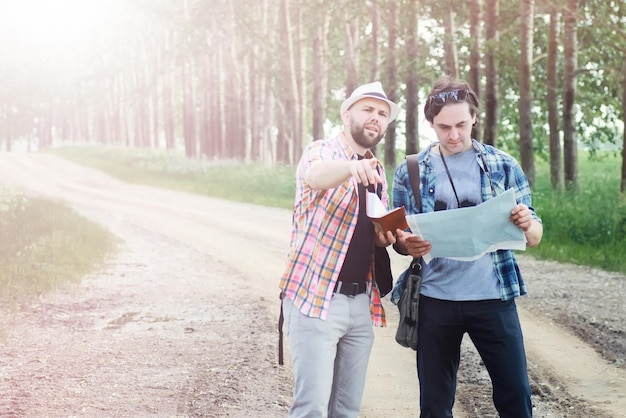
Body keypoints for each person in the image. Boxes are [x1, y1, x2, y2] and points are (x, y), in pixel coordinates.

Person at [391, 75, 543, 418]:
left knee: (516, 396)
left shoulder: (502, 165)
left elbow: (534, 236)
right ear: (430, 123)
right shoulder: (410, 171)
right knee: (434, 402)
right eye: (444, 127)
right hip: (435, 300)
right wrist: (406, 243)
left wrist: (526, 223)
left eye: (461, 124)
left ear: (474, 117)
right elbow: (398, 237)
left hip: (492, 297)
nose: (454, 134)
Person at [279, 81, 400, 417]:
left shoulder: (377, 171)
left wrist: (386, 237)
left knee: (346, 411)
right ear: (347, 114)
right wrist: (350, 167)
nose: (375, 118)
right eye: (367, 109)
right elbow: (316, 176)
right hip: (317, 299)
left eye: (382, 114)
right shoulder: (321, 152)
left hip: (361, 303)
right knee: (312, 409)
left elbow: (374, 230)